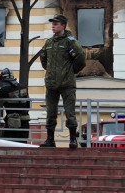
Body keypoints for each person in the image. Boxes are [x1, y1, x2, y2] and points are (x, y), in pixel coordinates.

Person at [38, 14, 86, 148]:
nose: (53, 26)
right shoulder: (49, 42)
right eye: (52, 24)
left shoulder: (70, 42)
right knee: (50, 112)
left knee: (70, 112)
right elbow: (44, 59)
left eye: (56, 24)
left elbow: (81, 59)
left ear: (63, 26)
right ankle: (50, 140)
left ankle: (72, 139)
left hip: (67, 84)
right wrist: (51, 72)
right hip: (52, 83)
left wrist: (70, 71)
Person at [0, 68, 31, 143]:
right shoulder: (23, 87)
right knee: (23, 145)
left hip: (12, 123)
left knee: (10, 145)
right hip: (25, 122)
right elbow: (28, 104)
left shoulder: (5, 90)